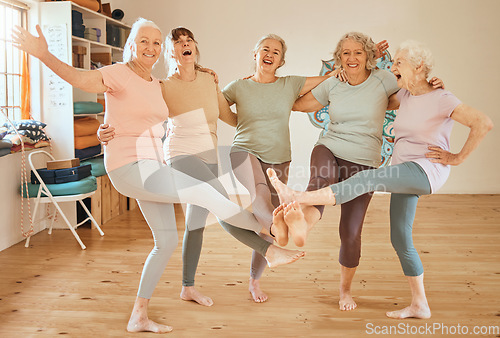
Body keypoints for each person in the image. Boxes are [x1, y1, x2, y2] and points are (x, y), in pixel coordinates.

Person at [13, 18, 304, 334]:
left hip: (153, 167)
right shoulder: (118, 73)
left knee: (165, 242)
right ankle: (271, 243)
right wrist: (43, 55)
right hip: (129, 167)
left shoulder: (155, 84)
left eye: (154, 42)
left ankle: (139, 315)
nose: (150, 47)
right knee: (206, 193)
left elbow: (152, 115)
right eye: (144, 41)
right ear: (132, 46)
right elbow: (81, 80)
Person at [266, 39, 493, 319]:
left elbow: (483, 122)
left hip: (423, 170)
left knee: (367, 180)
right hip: (401, 169)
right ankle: (419, 304)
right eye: (393, 61)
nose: (393, 66)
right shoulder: (406, 94)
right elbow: (376, 97)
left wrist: (456, 158)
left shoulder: (440, 97)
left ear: (418, 66)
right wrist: (339, 76)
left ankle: (296, 197)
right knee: (400, 237)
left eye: (398, 62)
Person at [98, 27, 301, 308]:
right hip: (181, 156)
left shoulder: (209, 80)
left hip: (208, 156)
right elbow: (138, 114)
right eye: (178, 42)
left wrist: (261, 106)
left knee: (195, 225)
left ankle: (187, 287)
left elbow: (228, 116)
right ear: (171, 52)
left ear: (195, 47)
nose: (184, 44)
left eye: (188, 40)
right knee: (220, 203)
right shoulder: (163, 86)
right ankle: (269, 244)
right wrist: (106, 132)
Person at [285, 31, 443, 311]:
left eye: (358, 52)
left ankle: (345, 291)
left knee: (351, 231)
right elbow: (298, 104)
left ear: (368, 56)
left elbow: (412, 91)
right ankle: (301, 227)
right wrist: (327, 77)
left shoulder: (384, 80)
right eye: (346, 52)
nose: (352, 58)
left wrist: (433, 85)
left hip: (364, 162)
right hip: (330, 148)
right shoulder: (334, 82)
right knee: (320, 183)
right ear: (339, 57)